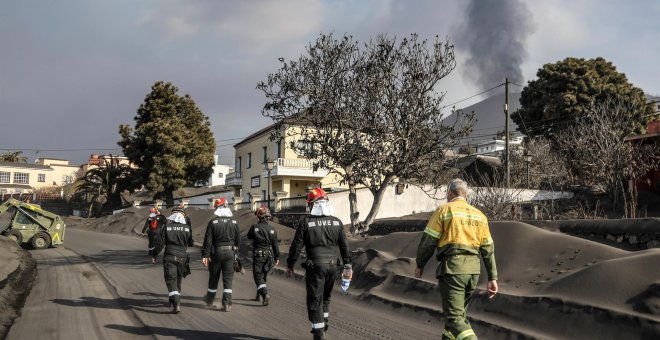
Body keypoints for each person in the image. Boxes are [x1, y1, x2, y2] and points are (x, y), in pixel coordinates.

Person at [415, 178, 498, 340]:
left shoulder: (444, 210)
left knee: (454, 319)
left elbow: (429, 241)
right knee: (456, 319)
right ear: (465, 194)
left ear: (450, 193)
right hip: (473, 272)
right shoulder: (480, 216)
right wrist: (492, 277)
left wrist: (420, 263)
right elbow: (488, 249)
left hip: (453, 270)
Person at [286, 188, 351, 340]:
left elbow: (296, 246)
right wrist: (348, 264)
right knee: (326, 296)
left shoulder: (306, 223)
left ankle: (318, 332)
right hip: (333, 266)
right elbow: (344, 246)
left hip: (315, 267)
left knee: (315, 298)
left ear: (311, 204)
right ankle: (324, 321)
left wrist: (290, 264)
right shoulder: (337, 222)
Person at [150, 207, 193, 313]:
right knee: (178, 279)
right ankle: (175, 298)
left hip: (169, 256)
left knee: (170, 279)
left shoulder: (167, 227)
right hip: (182, 257)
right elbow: (191, 242)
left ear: (172, 216)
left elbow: (160, 244)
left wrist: (154, 254)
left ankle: (175, 302)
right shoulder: (187, 228)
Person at [201, 197, 240, 311]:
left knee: (214, 277)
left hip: (217, 253)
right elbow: (238, 241)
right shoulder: (234, 222)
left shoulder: (213, 223)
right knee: (228, 280)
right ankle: (227, 303)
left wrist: (205, 255)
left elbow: (208, 241)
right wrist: (234, 253)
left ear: (217, 208)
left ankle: (209, 299)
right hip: (230, 253)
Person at [247, 205, 280, 306]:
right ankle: (259, 295)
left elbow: (249, 236)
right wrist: (277, 257)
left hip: (258, 255)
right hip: (269, 256)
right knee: (263, 275)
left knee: (257, 275)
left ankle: (264, 294)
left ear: (258, 216)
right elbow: (275, 245)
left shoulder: (255, 227)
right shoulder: (272, 229)